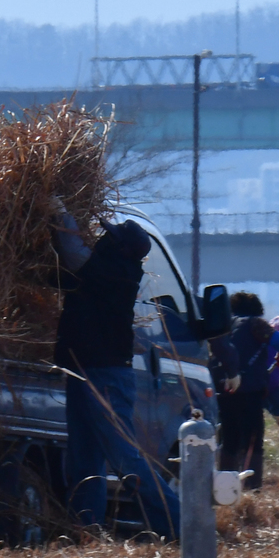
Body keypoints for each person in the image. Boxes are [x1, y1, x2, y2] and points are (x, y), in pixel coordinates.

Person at [52, 211, 179, 539]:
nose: (104, 239)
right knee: (84, 461)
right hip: (86, 370)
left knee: (125, 460)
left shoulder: (114, 272)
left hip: (105, 376)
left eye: (112, 237)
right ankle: (85, 530)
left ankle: (182, 523)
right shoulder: (106, 269)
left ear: (122, 250)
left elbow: (72, 254)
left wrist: (62, 211)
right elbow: (60, 272)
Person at [217, 292, 279, 491]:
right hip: (250, 391)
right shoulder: (256, 325)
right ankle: (251, 488)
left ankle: (225, 489)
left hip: (224, 389)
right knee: (253, 441)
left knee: (229, 439)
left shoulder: (225, 324)